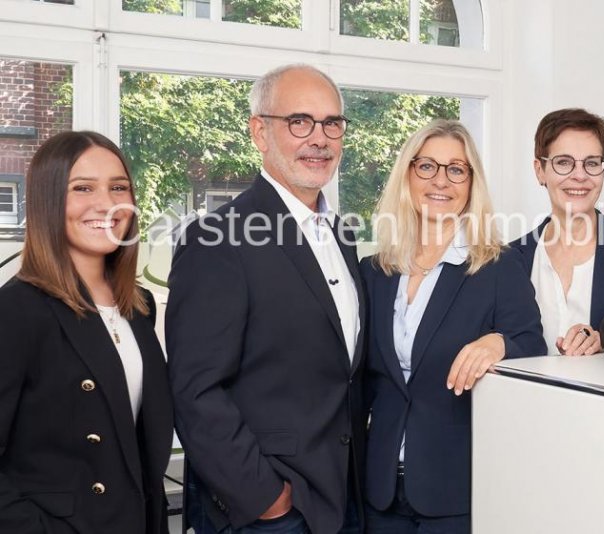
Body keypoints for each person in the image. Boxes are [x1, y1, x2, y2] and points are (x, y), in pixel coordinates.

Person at [166, 64, 365, 534]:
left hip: (345, 498)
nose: (319, 139)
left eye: (331, 123)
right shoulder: (217, 238)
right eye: (300, 121)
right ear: (260, 131)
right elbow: (196, 391)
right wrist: (267, 501)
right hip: (269, 511)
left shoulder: (344, 235)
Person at [360, 119, 547, 532]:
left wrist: (499, 343)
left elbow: (533, 345)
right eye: (426, 166)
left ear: (470, 182)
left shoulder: (497, 266)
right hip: (379, 489)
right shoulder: (374, 272)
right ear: (407, 175)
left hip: (454, 491)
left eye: (456, 169)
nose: (440, 181)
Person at [0, 131, 173, 533]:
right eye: (82, 188)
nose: (107, 204)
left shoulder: (138, 306)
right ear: (47, 201)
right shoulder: (16, 309)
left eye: (118, 187)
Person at [510, 108, 604, 356]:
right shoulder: (511, 258)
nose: (579, 176)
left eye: (591, 163)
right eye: (563, 163)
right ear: (540, 170)